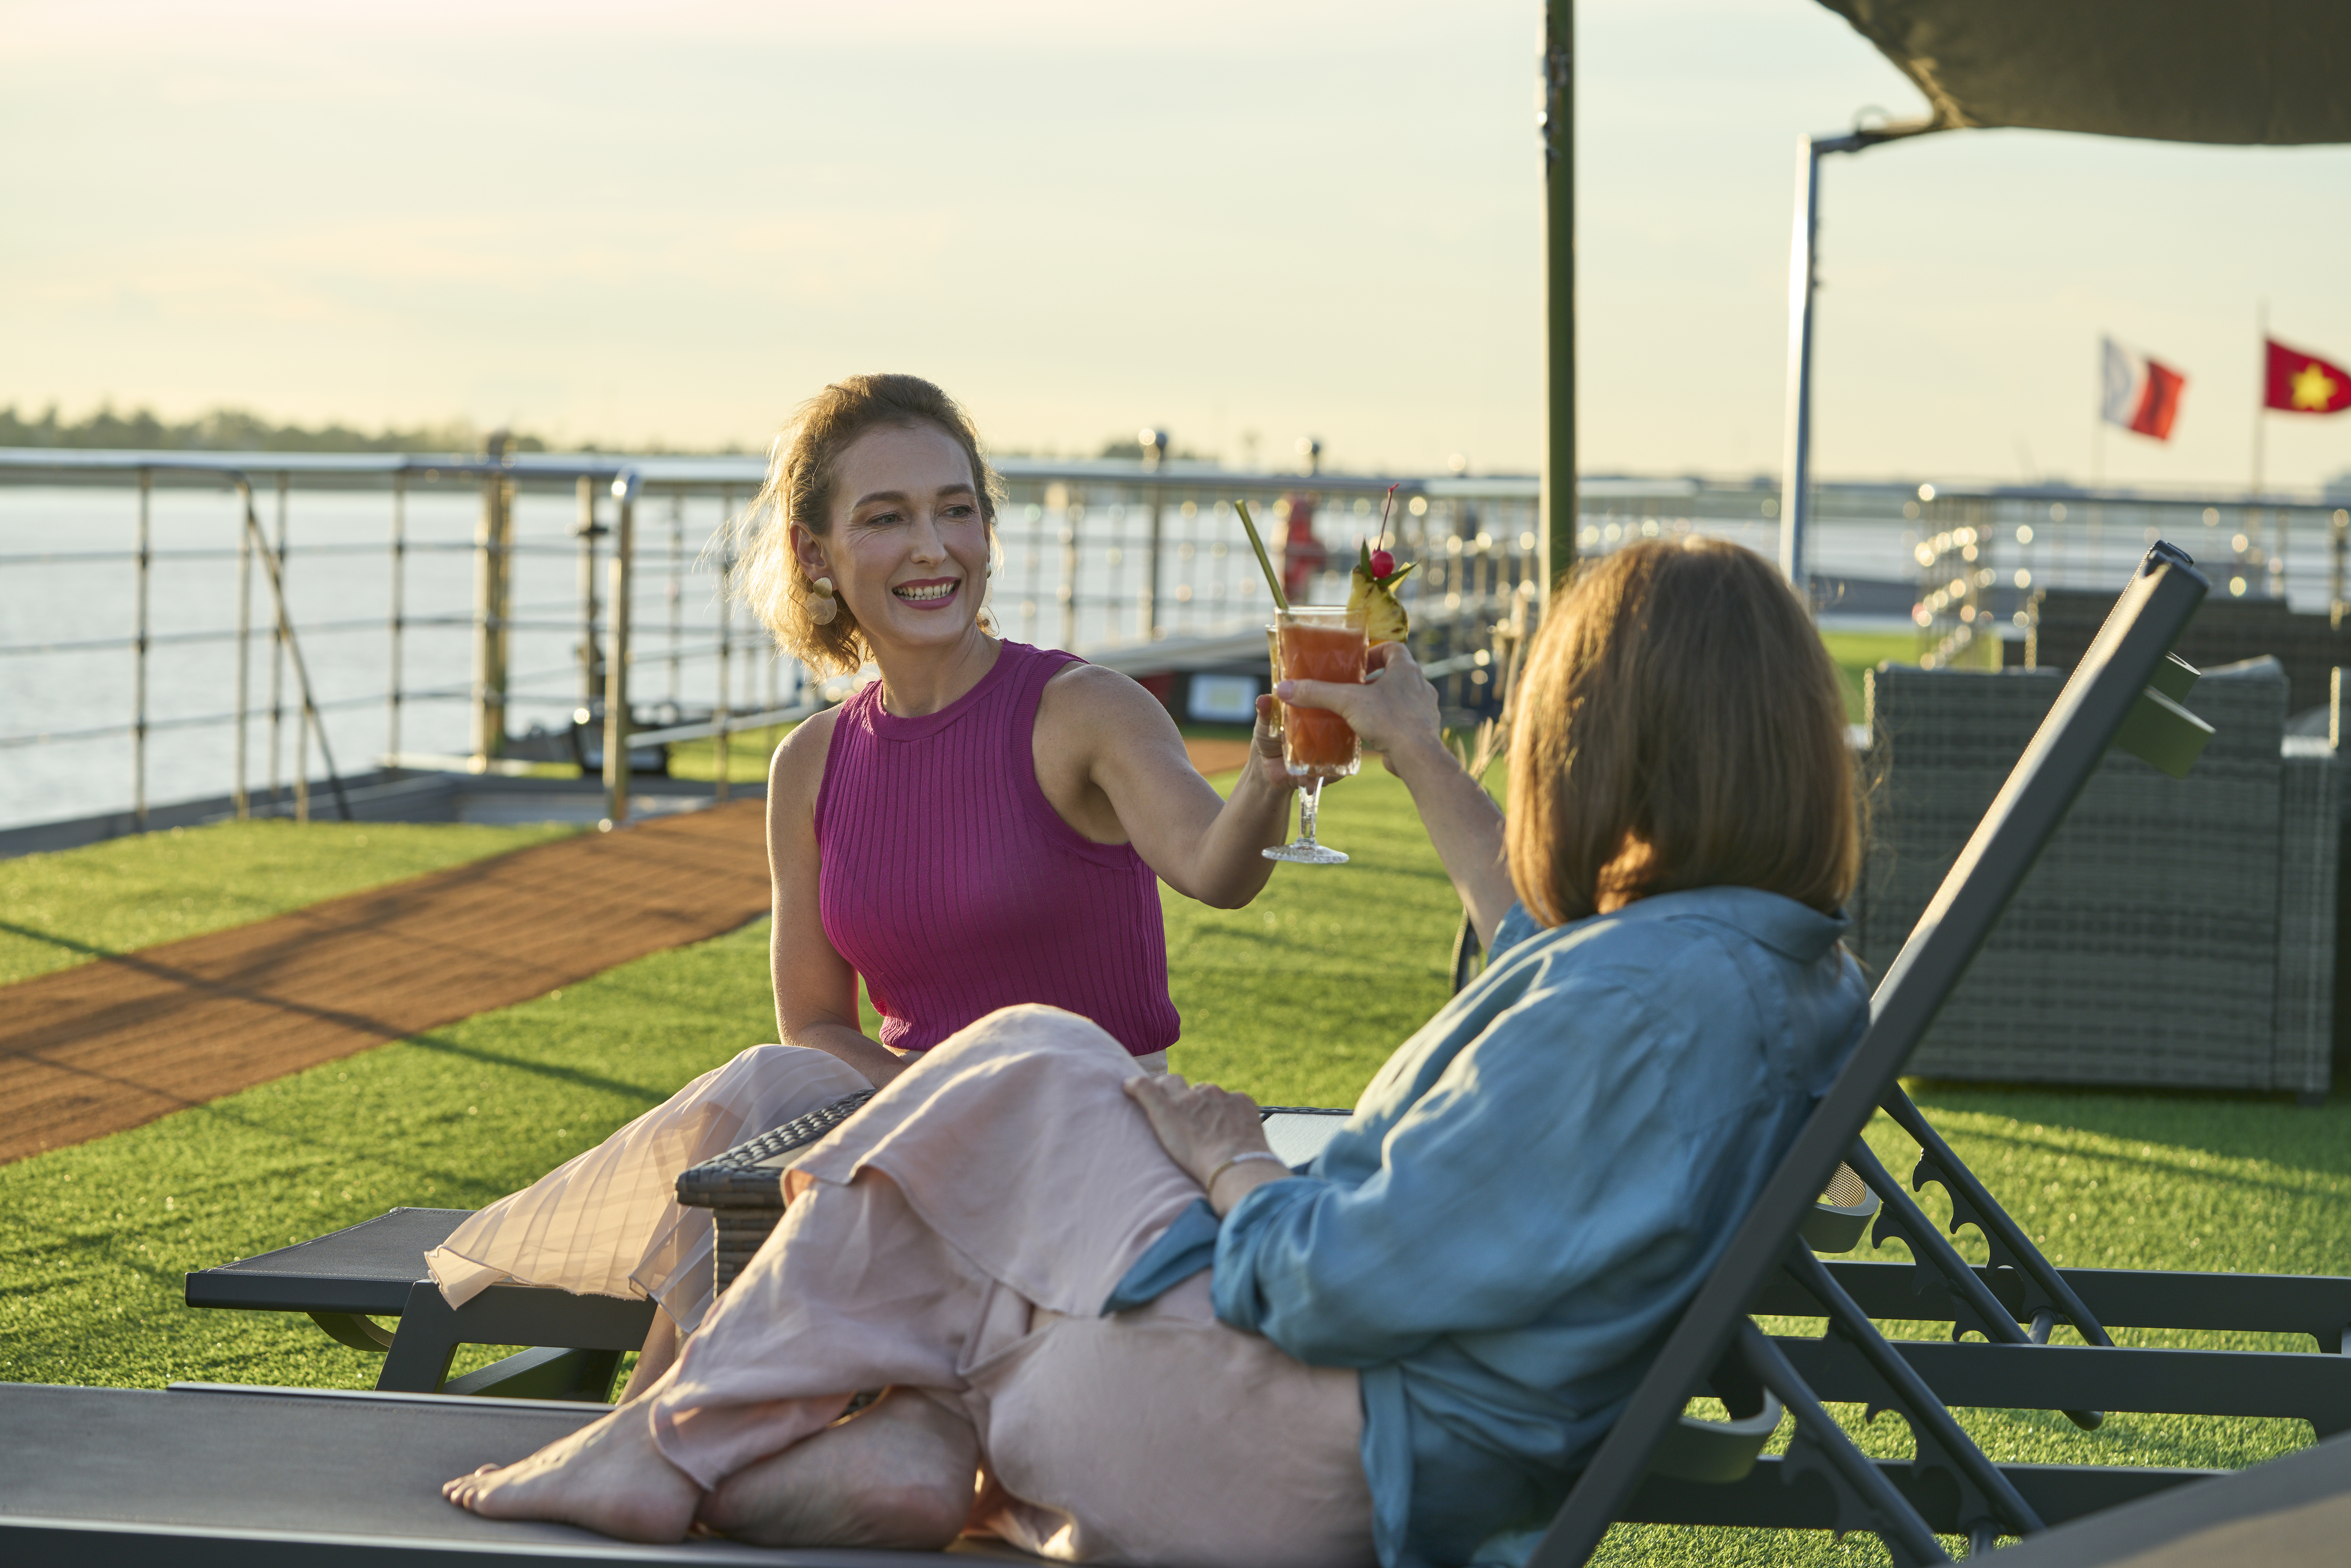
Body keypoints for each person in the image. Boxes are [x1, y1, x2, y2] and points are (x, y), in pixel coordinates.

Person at [442, 535, 1871, 1568]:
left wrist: (1230, 1155)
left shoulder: (1631, 1010)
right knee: (1009, 1080)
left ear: (1600, 743)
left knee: (1034, 1061)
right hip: (1371, 1438)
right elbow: (1541, 968)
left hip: (1294, 1449)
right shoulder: (1751, 971)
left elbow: (1316, 1283)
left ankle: (690, 1430)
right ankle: (893, 1433)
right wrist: (1423, 755)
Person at [425, 374, 1304, 1396]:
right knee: (777, 1085)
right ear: (815, 553)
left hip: (1090, 1133)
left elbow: (1219, 869)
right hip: (905, 1137)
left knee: (765, 1101)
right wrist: (931, 1108)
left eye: (957, 509)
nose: (934, 548)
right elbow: (814, 1018)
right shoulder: (812, 762)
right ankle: (671, 1415)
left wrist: (1275, 771)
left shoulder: (1082, 709)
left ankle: (652, 1415)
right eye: (887, 517)